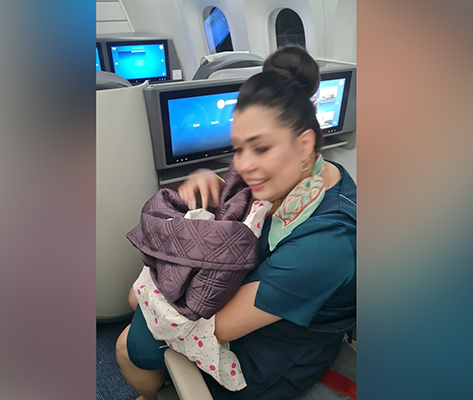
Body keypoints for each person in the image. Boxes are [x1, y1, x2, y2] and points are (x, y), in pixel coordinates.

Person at [116, 45, 356, 400]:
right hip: (257, 298)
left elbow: (219, 327)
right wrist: (212, 184)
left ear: (305, 144)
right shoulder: (306, 174)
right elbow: (245, 215)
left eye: (260, 148)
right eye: (239, 148)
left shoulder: (326, 243)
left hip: (274, 353)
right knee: (135, 306)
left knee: (130, 346)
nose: (242, 165)